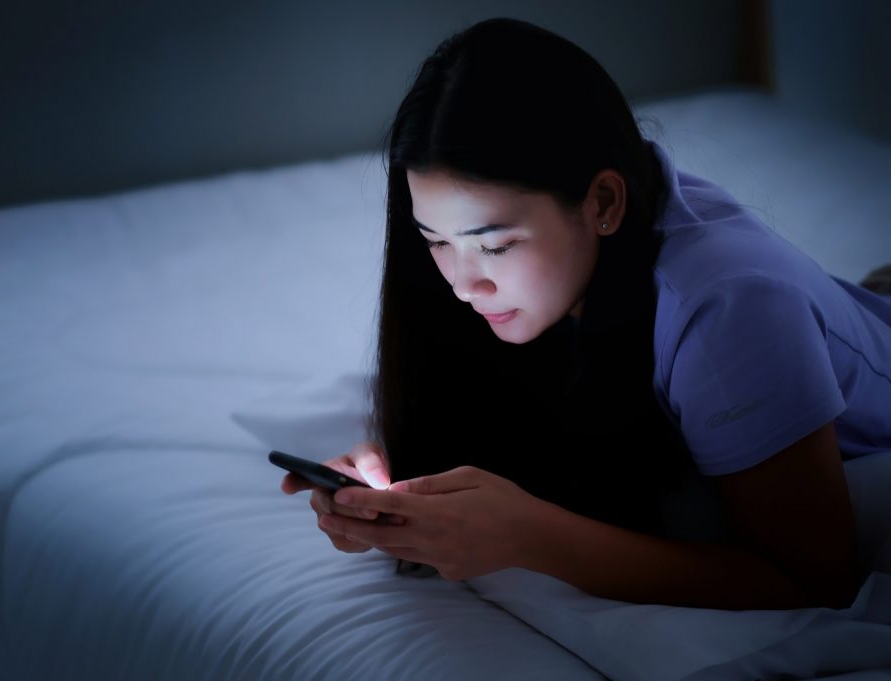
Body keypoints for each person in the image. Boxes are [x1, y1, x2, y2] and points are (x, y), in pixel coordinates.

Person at [281, 17, 891, 610]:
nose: (464, 286)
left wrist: (533, 538)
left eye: (496, 246)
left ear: (603, 202)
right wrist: (401, 486)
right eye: (436, 241)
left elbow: (815, 580)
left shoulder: (730, 311)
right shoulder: (552, 280)